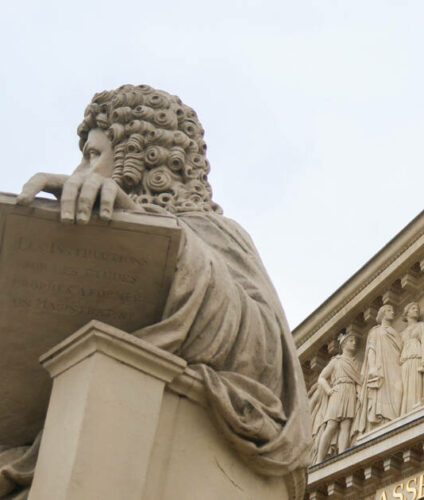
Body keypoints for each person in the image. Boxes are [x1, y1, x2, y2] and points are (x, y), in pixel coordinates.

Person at [5, 86, 312, 494]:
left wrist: (164, 242)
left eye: (94, 156)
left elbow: (265, 354)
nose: (79, 172)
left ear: (138, 161)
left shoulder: (208, 234)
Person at [310, 331, 361, 462]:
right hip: (337, 392)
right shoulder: (336, 361)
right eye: (351, 341)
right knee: (332, 425)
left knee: (346, 425)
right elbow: (321, 378)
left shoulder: (355, 363)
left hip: (350, 391)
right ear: (343, 345)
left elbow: (359, 381)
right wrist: (329, 390)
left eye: (354, 341)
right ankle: (319, 461)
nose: (354, 343)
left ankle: (342, 456)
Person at [355, 304, 403, 433]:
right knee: (382, 392)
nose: (392, 312)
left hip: (395, 364)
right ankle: (383, 421)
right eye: (388, 310)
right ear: (382, 314)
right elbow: (371, 350)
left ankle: (395, 419)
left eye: (392, 310)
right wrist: (372, 367)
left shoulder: (395, 332)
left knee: (398, 389)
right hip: (381, 366)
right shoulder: (375, 331)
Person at [399, 302, 424, 414]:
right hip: (405, 361)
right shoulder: (401, 333)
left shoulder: (421, 325)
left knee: (416, 383)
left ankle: (415, 407)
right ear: (407, 313)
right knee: (405, 387)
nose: (416, 310)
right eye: (413, 308)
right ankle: (405, 412)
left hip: (416, 357)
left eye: (417, 308)